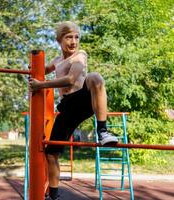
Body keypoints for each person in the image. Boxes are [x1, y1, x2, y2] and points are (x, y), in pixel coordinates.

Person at [29, 21, 118, 200]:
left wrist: (42, 85)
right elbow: (38, 71)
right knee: (51, 153)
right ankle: (53, 196)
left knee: (95, 77)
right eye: (69, 37)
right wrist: (30, 71)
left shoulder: (80, 56)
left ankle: (102, 131)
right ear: (59, 40)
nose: (73, 41)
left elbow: (70, 80)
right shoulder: (57, 61)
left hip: (82, 100)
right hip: (67, 108)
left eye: (76, 37)